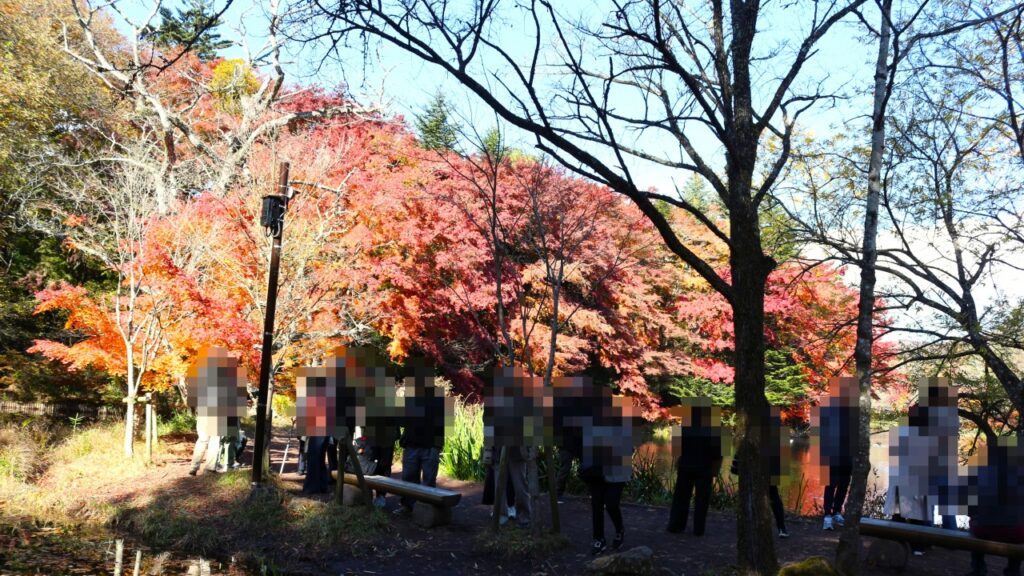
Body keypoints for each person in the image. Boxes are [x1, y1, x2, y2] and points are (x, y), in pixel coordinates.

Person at [581, 392, 635, 556]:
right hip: (597, 471)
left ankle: (619, 529)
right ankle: (599, 539)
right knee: (596, 505)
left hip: (617, 473)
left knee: (611, 504)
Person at [965, 438, 1024, 576]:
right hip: (1017, 533)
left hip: (984, 529)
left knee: (975, 522)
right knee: (1017, 523)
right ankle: (1013, 571)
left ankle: (978, 568)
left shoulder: (981, 471)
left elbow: (969, 509)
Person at [667, 402, 724, 536]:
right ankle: (698, 529)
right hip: (705, 467)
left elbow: (676, 449)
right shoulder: (714, 428)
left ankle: (675, 525)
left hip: (685, 465)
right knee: (702, 499)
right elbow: (718, 452)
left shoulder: (684, 426)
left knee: (681, 497)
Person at [396, 366, 447, 515]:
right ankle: (407, 506)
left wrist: (438, 445)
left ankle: (426, 510)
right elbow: (401, 420)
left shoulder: (440, 396)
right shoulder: (410, 396)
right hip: (412, 444)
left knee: (429, 481)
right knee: (408, 479)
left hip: (431, 446)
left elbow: (446, 423)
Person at [731, 410, 789, 538]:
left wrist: (737, 465)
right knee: (773, 496)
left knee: (755, 495)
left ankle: (756, 526)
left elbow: (744, 446)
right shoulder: (775, 424)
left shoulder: (754, 425)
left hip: (757, 467)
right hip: (768, 467)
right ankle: (781, 527)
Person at [816, 377, 858, 531]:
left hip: (847, 456)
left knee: (843, 485)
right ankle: (827, 515)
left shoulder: (853, 410)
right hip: (832, 454)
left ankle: (837, 512)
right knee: (831, 485)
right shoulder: (828, 408)